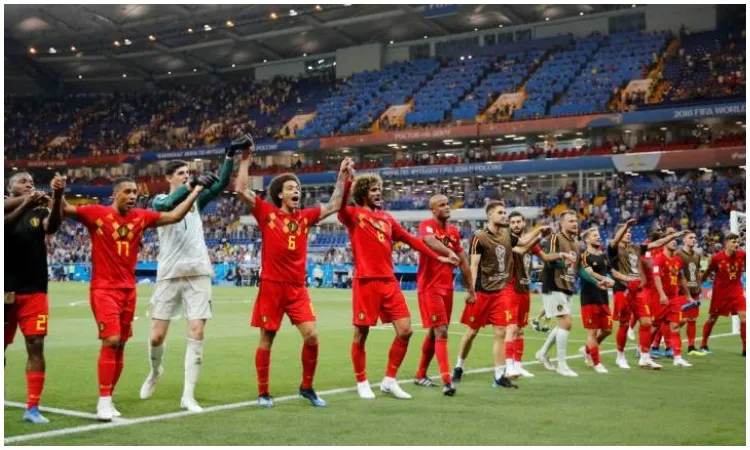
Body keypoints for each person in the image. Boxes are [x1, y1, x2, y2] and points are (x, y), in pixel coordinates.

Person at [61, 177, 206, 421]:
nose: (132, 196)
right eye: (127, 192)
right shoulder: (96, 213)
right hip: (104, 289)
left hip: (129, 291)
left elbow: (174, 216)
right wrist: (57, 192)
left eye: (135, 193)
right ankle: (103, 401)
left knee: (120, 344)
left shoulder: (141, 216)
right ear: (115, 194)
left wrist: (196, 191)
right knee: (111, 340)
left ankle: (108, 397)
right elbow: (65, 209)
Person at [235, 147, 353, 408]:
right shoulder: (267, 213)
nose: (295, 190)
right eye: (290, 188)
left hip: (297, 288)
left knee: (311, 336)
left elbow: (335, 204)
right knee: (267, 338)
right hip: (272, 286)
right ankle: (263, 392)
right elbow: (241, 190)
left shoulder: (305, 217)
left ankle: (307, 387)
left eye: (297, 188)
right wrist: (244, 160)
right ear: (280, 194)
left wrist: (342, 177)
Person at [139, 135, 248, 412]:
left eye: (188, 173)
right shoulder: (160, 200)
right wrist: (191, 186)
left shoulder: (197, 201)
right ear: (169, 178)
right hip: (169, 273)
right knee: (156, 336)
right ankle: (155, 371)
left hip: (198, 271)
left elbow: (221, 184)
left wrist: (228, 156)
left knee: (196, 330)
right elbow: (167, 207)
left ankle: (188, 395)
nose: (187, 176)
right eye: (181, 173)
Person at [338, 173, 455, 400]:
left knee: (405, 330)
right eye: (373, 190)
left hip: (389, 281)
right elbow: (341, 206)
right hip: (366, 281)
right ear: (363, 193)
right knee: (361, 333)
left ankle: (389, 380)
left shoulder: (387, 218)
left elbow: (411, 240)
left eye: (379, 189)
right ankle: (362, 381)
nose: (378, 192)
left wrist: (438, 257)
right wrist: (347, 180)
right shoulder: (353, 214)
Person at [454, 201, 550, 388]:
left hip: (500, 292)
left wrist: (539, 231)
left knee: (501, 332)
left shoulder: (506, 234)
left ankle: (499, 376)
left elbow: (523, 243)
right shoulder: (479, 237)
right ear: (489, 215)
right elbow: (474, 265)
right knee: (472, 332)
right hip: (482, 292)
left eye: (504, 212)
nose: (504, 215)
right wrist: (471, 290)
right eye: (500, 212)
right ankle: (459, 366)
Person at [4, 172, 66, 423]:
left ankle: (32, 407)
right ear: (9, 187)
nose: (29, 184)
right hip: (5, 290)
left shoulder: (39, 211)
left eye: (31, 182)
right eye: (23, 181)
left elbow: (53, 226)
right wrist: (25, 203)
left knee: (36, 344)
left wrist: (58, 196)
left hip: (35, 290)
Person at [413, 195, 473, 396]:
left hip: (447, 288)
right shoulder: (426, 226)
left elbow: (463, 261)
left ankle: (420, 374)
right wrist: (449, 252)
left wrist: (471, 289)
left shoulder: (454, 231)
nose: (447, 207)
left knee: (434, 332)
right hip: (429, 287)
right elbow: (429, 241)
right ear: (433, 209)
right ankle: (447, 381)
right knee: (442, 331)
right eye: (442, 205)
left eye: (448, 204)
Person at [535, 210, 584, 377]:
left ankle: (542, 353)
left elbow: (579, 269)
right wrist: (565, 264)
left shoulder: (577, 244)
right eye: (571, 221)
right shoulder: (554, 238)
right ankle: (562, 365)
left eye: (576, 220)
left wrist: (597, 281)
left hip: (567, 285)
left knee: (563, 324)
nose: (575, 223)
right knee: (566, 322)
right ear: (561, 224)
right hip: (553, 283)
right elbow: (549, 261)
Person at [700, 233, 746, 356]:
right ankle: (703, 344)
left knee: (745, 318)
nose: (736, 244)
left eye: (737, 242)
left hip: (737, 291)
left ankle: (745, 348)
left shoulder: (742, 255)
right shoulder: (716, 258)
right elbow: (708, 272)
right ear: (726, 243)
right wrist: (700, 283)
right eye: (733, 242)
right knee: (712, 319)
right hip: (721, 293)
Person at [578, 228, 616, 373]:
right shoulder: (584, 256)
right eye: (595, 235)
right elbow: (589, 272)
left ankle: (587, 350)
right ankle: (597, 363)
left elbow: (612, 272)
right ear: (587, 239)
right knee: (592, 332)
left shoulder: (603, 256)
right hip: (589, 298)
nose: (598, 237)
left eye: (599, 235)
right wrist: (605, 279)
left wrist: (627, 279)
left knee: (607, 330)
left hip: (603, 298)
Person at [652, 234, 693, 367]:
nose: (674, 242)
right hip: (660, 298)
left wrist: (688, 296)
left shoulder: (677, 260)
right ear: (664, 243)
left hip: (673, 299)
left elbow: (681, 278)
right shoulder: (659, 258)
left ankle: (677, 357)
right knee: (653, 326)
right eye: (671, 240)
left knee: (675, 326)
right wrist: (662, 294)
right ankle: (643, 351)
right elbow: (656, 276)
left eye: (675, 240)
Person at [675, 231, 704, 356]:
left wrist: (699, 285)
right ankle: (665, 339)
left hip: (694, 291)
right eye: (690, 237)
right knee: (681, 320)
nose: (693, 239)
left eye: (695, 237)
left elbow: (697, 272)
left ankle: (691, 347)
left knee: (692, 319)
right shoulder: (678, 254)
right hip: (682, 292)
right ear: (684, 240)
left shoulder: (697, 255)